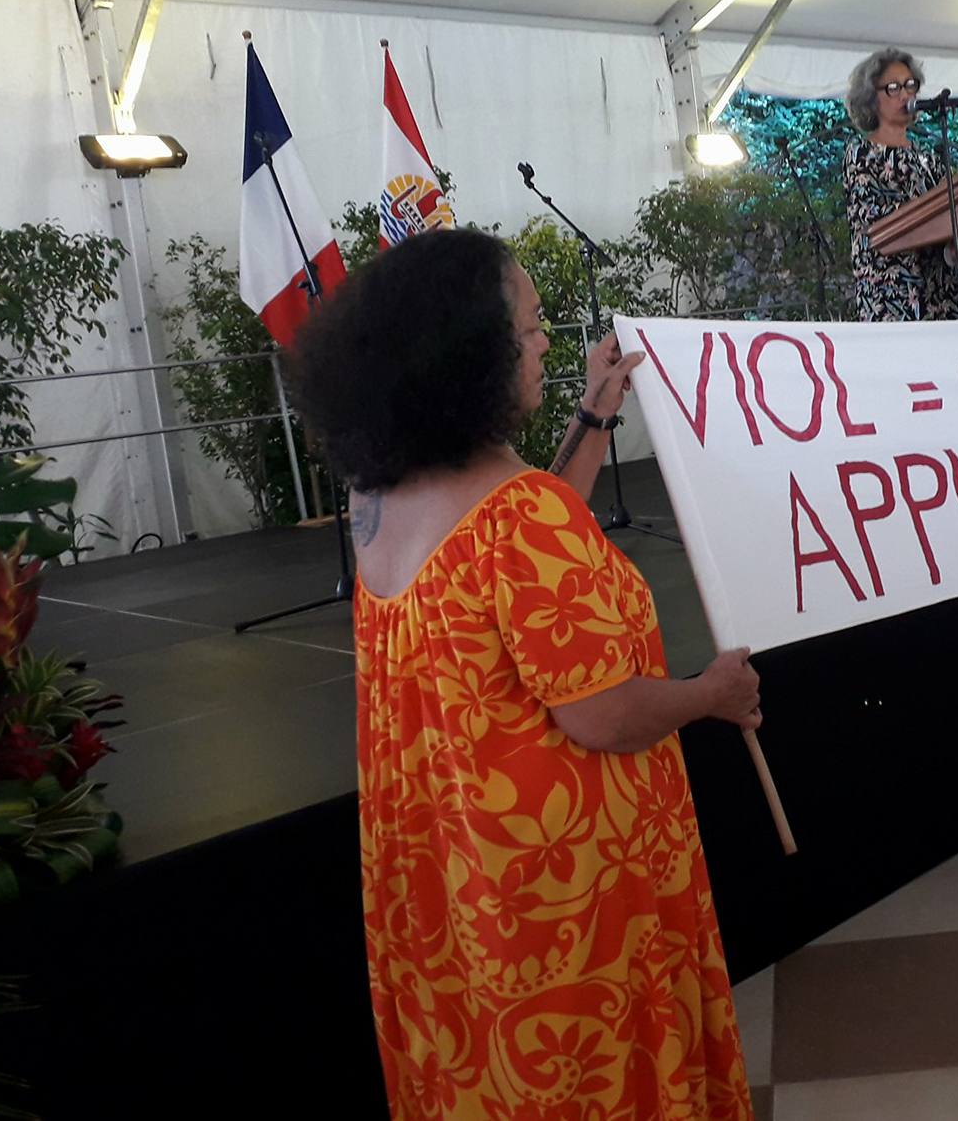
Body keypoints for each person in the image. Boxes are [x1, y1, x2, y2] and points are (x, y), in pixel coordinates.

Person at [288, 227, 759, 1120]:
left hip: (460, 872)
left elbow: (514, 546)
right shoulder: (521, 517)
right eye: (532, 327)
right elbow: (606, 717)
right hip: (561, 891)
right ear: (471, 354)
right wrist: (713, 694)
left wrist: (592, 416)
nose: (546, 342)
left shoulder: (376, 496)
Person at [843, 47, 958, 322]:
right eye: (894, 88)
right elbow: (876, 222)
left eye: (910, 85)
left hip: (939, 296)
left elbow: (957, 206)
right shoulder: (861, 154)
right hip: (891, 296)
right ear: (871, 98)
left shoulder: (929, 157)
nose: (905, 94)